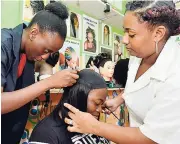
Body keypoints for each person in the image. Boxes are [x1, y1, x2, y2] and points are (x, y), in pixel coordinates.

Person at [64, 1, 180, 144]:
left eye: (131, 34)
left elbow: (151, 138)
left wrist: (94, 126)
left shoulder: (175, 74)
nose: (124, 40)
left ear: (158, 33)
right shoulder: (137, 56)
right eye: (125, 31)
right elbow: (137, 86)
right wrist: (119, 99)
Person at [1, 2, 79, 144]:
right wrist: (49, 82)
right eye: (46, 50)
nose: (44, 57)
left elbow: (40, 67)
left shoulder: (29, 53)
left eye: (51, 53)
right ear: (34, 33)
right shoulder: (3, 45)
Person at [29, 69, 110, 144]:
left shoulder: (91, 123)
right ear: (79, 97)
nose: (99, 110)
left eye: (102, 105)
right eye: (97, 103)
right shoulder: (45, 133)